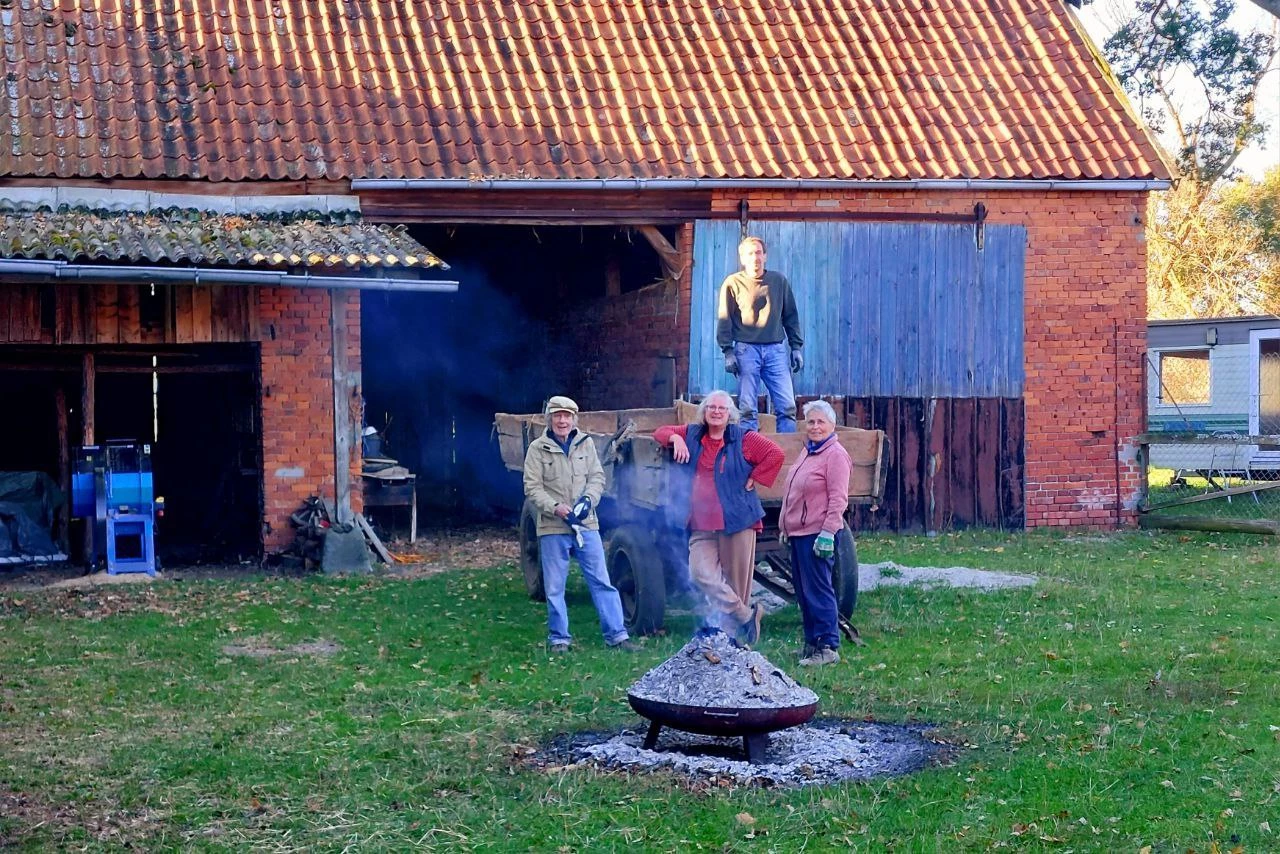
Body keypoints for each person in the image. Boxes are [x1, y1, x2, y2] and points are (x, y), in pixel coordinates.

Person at [652, 390, 785, 645]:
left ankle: (733, 640)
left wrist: (755, 477)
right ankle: (746, 615)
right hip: (701, 523)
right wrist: (675, 439)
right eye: (711, 407)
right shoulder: (692, 434)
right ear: (703, 412)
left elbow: (775, 454)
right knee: (700, 573)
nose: (716, 412)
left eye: (721, 408)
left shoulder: (743, 438)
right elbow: (660, 432)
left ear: (729, 414)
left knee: (736, 582)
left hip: (737, 521)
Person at [522, 395, 640, 654]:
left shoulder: (585, 444)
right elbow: (532, 487)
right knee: (555, 587)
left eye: (567, 416)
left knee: (601, 581)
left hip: (586, 524)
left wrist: (588, 500)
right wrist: (556, 507)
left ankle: (617, 636)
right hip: (553, 526)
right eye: (557, 416)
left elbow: (597, 477)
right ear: (549, 419)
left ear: (574, 419)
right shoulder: (537, 448)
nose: (562, 421)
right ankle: (559, 639)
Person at [778, 400, 852, 666]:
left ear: (832, 425)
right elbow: (793, 492)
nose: (815, 426)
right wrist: (785, 526)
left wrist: (828, 533)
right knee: (803, 591)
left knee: (819, 590)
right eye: (810, 421)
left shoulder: (835, 455)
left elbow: (838, 499)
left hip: (817, 534)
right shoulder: (808, 451)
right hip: (800, 533)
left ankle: (828, 647)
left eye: (821, 422)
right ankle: (812, 645)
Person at [716, 235, 804, 433]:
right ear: (742, 258)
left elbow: (790, 315)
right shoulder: (733, 283)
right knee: (747, 409)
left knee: (787, 407)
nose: (755, 257)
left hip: (776, 350)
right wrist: (728, 352)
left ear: (765, 256)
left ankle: (786, 449)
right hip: (746, 350)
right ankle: (749, 448)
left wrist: (796, 347)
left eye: (758, 253)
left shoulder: (778, 281)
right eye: (750, 254)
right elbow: (724, 318)